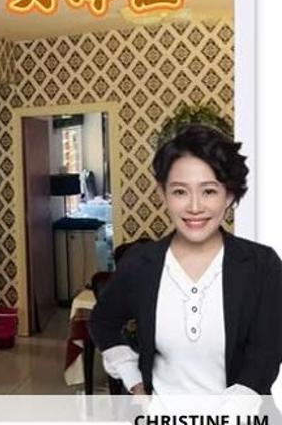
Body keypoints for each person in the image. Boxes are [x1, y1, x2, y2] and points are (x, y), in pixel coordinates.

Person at [89, 121, 282, 398]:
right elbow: (103, 321)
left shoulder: (262, 265)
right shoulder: (140, 263)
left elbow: (267, 350)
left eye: (209, 191)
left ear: (229, 195)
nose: (194, 207)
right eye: (180, 191)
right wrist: (133, 379)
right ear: (163, 193)